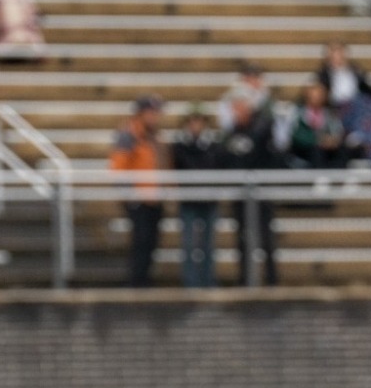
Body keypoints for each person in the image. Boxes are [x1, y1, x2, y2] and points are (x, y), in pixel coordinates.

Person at [218, 91, 282, 287]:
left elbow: (270, 150)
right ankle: (244, 281)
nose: (238, 112)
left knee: (266, 239)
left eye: (242, 107)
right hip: (240, 195)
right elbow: (225, 161)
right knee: (243, 240)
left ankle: (272, 281)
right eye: (235, 108)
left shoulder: (261, 128)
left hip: (260, 193)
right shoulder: (230, 135)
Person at [109, 95, 166, 288]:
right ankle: (137, 282)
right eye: (152, 112)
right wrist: (129, 195)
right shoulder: (129, 135)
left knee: (151, 243)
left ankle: (145, 280)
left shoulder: (153, 136)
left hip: (154, 198)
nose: (155, 116)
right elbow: (118, 167)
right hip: (139, 199)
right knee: (140, 242)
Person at [171, 105, 222, 288]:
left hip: (208, 200)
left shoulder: (213, 146)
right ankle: (190, 283)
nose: (195, 125)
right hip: (189, 201)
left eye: (198, 121)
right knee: (189, 245)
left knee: (208, 245)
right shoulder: (180, 146)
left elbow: (215, 168)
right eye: (192, 121)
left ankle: (208, 281)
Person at [289, 80, 358, 170]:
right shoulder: (298, 112)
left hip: (327, 148)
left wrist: (333, 140)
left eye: (320, 96)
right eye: (314, 96)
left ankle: (342, 178)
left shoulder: (329, 114)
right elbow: (295, 134)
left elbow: (337, 130)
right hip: (305, 149)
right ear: (307, 97)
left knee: (342, 149)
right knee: (316, 150)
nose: (317, 99)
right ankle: (319, 178)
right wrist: (317, 140)